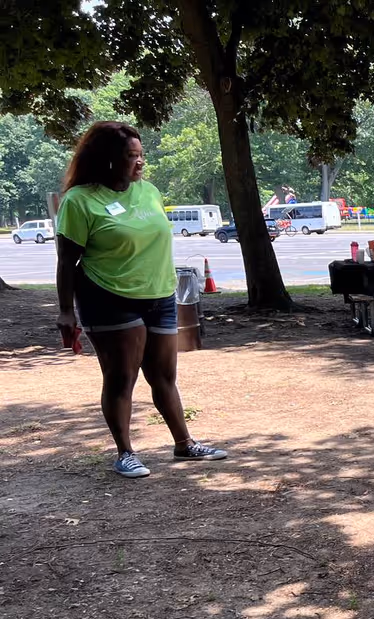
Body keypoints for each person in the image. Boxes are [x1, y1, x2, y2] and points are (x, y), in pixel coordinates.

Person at [54, 121, 227, 479]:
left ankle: (184, 444)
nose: (140, 162)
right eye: (131, 156)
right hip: (109, 297)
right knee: (121, 377)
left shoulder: (147, 191)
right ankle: (125, 453)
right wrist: (65, 312)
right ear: (108, 160)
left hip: (160, 295)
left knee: (164, 375)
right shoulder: (80, 201)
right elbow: (66, 261)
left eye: (140, 154)